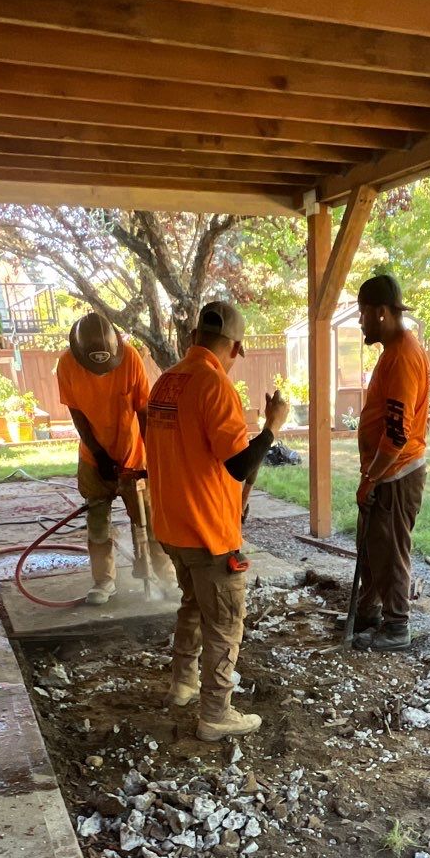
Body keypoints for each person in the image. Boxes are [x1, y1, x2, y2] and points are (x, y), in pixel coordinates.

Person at [144, 302, 288, 741]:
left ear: (193, 338)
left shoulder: (166, 382)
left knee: (193, 603)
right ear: (236, 347)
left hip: (172, 527)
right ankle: (215, 714)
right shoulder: (215, 386)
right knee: (225, 623)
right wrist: (271, 427)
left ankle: (183, 683)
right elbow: (238, 464)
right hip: (208, 533)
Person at [55, 311, 174, 604]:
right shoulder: (67, 364)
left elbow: (143, 413)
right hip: (93, 457)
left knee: (149, 521)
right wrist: (99, 454)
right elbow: (77, 415)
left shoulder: (130, 359)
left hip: (133, 457)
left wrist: (153, 459)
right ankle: (104, 582)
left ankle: (166, 577)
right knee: (98, 523)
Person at [353, 272, 430, 650]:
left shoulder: (402, 357)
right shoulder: (394, 351)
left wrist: (371, 478)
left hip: (397, 475)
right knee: (372, 546)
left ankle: (396, 626)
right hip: (386, 472)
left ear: (381, 312)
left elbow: (398, 435)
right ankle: (369, 612)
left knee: (390, 551)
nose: (360, 321)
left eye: (363, 312)